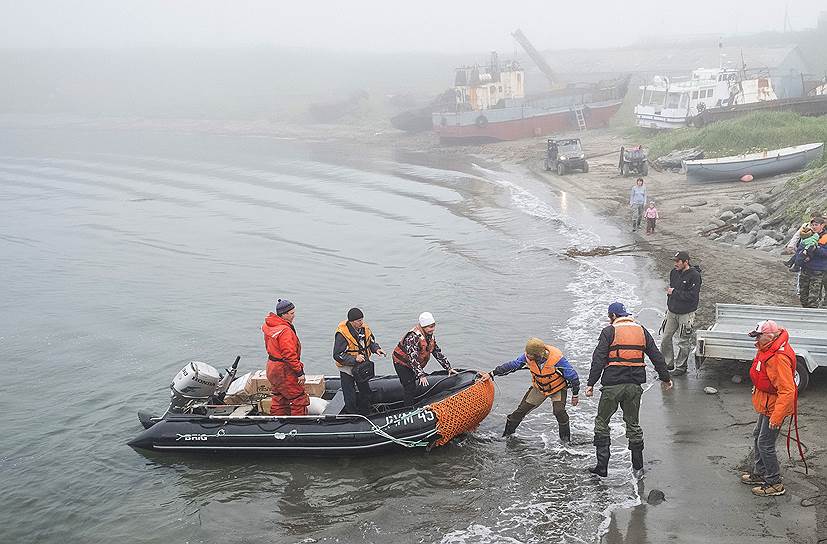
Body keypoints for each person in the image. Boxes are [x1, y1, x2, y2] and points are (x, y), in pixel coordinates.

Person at [586, 302, 672, 477]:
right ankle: (638, 468)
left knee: (602, 423)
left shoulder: (609, 331)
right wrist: (666, 378)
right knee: (633, 424)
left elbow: (599, 359)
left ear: (613, 316)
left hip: (612, 386)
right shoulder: (641, 330)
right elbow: (656, 356)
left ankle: (602, 468)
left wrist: (591, 383)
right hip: (634, 386)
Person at [483, 338, 580, 442]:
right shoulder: (527, 357)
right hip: (539, 388)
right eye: (527, 353)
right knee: (520, 411)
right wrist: (491, 374)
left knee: (559, 411)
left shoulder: (557, 360)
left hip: (557, 388)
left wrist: (575, 395)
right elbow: (511, 366)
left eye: (530, 355)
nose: (527, 356)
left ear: (539, 355)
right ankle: (507, 436)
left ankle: (565, 442)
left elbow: (573, 377)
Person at [740, 320, 796, 497]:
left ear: (770, 336)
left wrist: (777, 417)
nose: (756, 339)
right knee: (758, 436)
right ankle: (761, 472)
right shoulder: (767, 349)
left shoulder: (778, 358)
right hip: (767, 404)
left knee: (765, 443)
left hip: (774, 407)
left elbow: (788, 390)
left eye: (758, 336)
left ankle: (774, 482)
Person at [392, 312, 457, 407]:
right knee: (409, 386)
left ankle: (415, 401)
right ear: (423, 327)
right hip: (401, 363)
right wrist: (421, 375)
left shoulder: (429, 336)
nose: (432, 329)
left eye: (433, 326)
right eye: (430, 327)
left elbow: (437, 353)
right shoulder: (412, 337)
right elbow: (412, 358)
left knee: (415, 383)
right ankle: (408, 409)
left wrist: (448, 368)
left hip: (412, 364)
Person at [333, 307, 386, 415]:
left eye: (362, 319)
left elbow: (371, 342)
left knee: (365, 391)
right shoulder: (342, 334)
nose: (361, 322)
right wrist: (354, 358)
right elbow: (337, 355)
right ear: (351, 322)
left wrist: (377, 349)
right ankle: (352, 415)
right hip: (347, 369)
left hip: (362, 367)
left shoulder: (364, 329)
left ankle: (365, 412)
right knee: (350, 394)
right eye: (358, 321)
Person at [262, 298, 309, 416]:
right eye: (291, 313)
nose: (294, 316)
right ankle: (300, 426)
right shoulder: (285, 331)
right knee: (298, 397)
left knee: (279, 396)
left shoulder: (270, 326)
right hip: (284, 369)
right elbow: (289, 355)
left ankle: (277, 423)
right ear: (284, 314)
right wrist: (299, 372)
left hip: (272, 367)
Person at [660, 251, 701, 376]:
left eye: (678, 261)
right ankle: (668, 363)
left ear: (686, 262)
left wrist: (674, 293)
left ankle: (681, 367)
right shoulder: (673, 272)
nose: (675, 264)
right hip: (672, 312)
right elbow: (672, 289)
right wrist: (670, 298)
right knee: (665, 338)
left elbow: (693, 296)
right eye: (674, 261)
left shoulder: (695, 276)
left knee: (684, 341)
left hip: (686, 313)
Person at [797, 215, 827, 308]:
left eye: (816, 225)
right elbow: (799, 248)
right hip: (805, 268)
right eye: (812, 225)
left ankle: (813, 317)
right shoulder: (807, 235)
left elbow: (825, 252)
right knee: (803, 295)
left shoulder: (825, 237)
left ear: (822, 225)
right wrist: (803, 256)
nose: (814, 227)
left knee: (813, 297)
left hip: (818, 270)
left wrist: (815, 249)